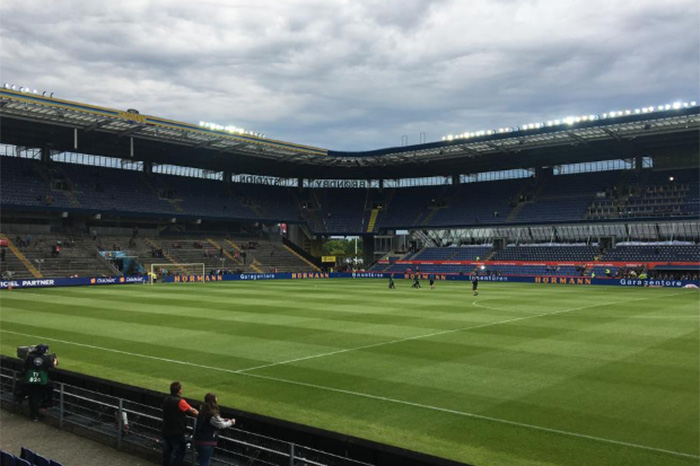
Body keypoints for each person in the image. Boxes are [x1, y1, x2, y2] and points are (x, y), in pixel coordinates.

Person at [162, 381, 199, 466]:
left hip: (166, 429)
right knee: (180, 453)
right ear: (179, 390)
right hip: (177, 431)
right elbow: (192, 411)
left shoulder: (166, 399)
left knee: (167, 454)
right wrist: (202, 415)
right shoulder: (180, 402)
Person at [193, 393, 235, 466]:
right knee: (204, 462)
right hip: (207, 441)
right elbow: (221, 425)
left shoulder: (202, 409)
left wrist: (221, 419)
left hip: (198, 440)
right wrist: (231, 422)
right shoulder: (212, 414)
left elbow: (213, 421)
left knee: (202, 461)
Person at [22, 344, 58, 421]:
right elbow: (52, 366)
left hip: (30, 380)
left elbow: (25, 366)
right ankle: (38, 412)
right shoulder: (46, 359)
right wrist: (55, 360)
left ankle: (34, 412)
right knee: (42, 394)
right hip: (41, 381)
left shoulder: (30, 357)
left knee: (33, 397)